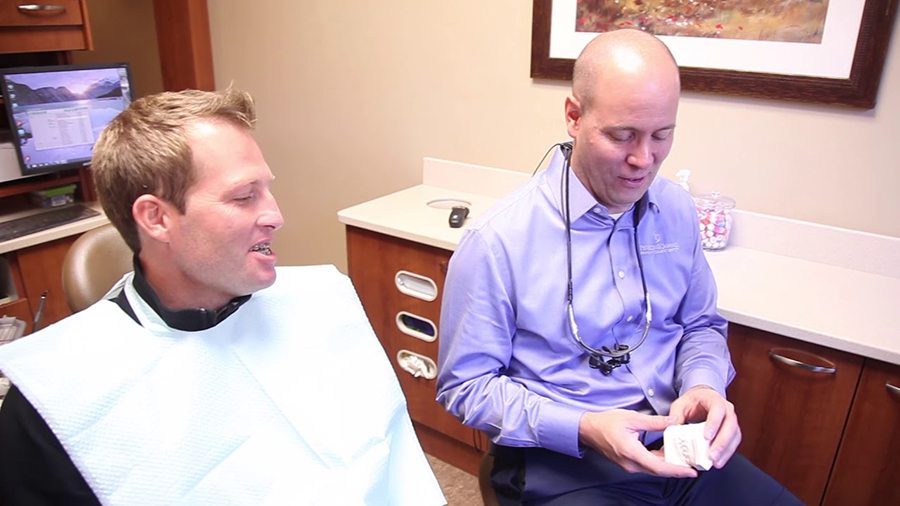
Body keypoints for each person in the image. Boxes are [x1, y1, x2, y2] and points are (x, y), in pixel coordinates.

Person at [0, 88, 445, 506]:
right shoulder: (55, 404)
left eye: (267, 189)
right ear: (156, 218)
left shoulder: (321, 303)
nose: (276, 216)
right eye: (244, 196)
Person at [436, 29, 800, 505]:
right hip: (563, 461)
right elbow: (466, 387)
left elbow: (701, 325)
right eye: (622, 135)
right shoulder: (497, 242)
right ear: (573, 116)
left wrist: (705, 384)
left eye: (661, 135)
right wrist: (585, 427)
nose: (643, 159)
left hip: (679, 447)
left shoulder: (676, 210)